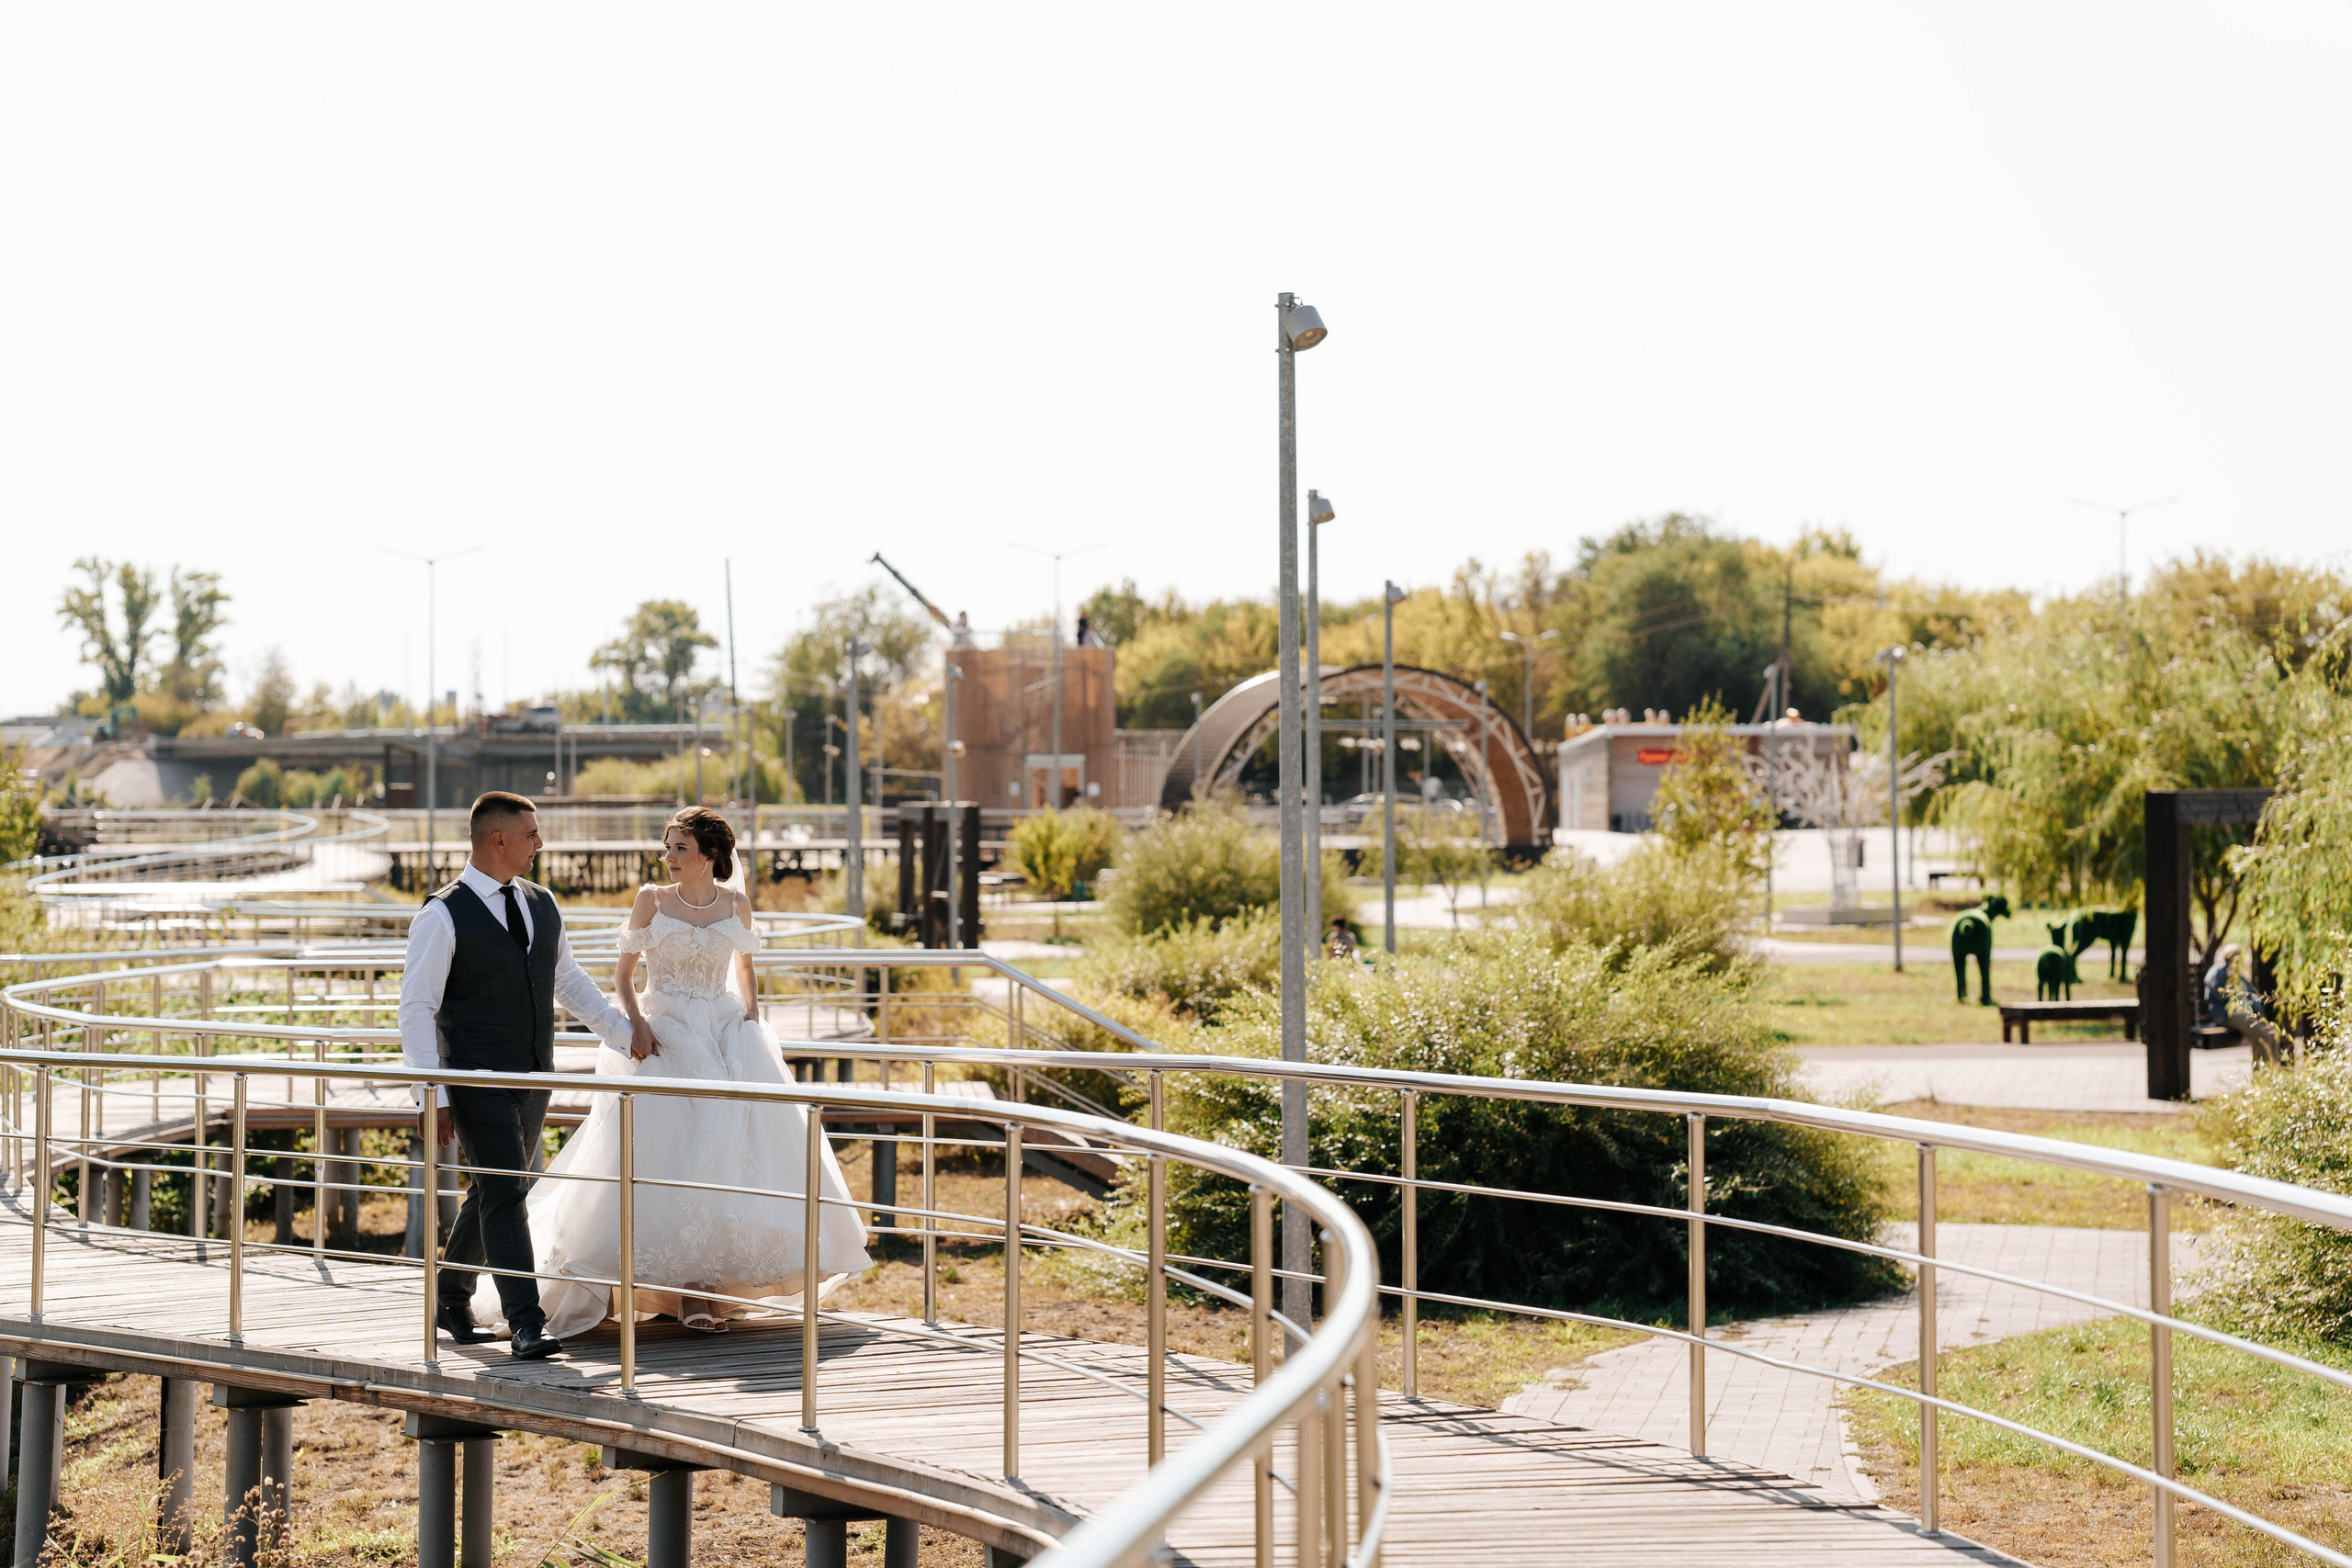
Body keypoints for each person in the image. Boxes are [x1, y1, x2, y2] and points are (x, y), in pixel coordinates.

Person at [479, 806, 871, 1337]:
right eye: (667, 847)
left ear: (709, 854)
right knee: (662, 1151)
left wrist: (751, 1022)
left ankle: (707, 1288)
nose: (668, 857)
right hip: (665, 1031)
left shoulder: (736, 904)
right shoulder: (652, 900)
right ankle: (645, 1286)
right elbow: (623, 974)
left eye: (680, 848)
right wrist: (636, 1024)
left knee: (732, 1152)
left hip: (724, 1031)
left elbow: (745, 967)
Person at [399, 791, 645, 1359]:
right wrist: (430, 1093)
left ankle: (450, 1296)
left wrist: (623, 1032)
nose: (540, 843)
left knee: (498, 1187)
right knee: (507, 1191)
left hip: (534, 1075)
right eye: (531, 834)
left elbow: (569, 980)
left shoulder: (542, 902)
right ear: (499, 839)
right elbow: (416, 1008)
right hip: (475, 1078)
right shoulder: (440, 915)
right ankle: (526, 1323)